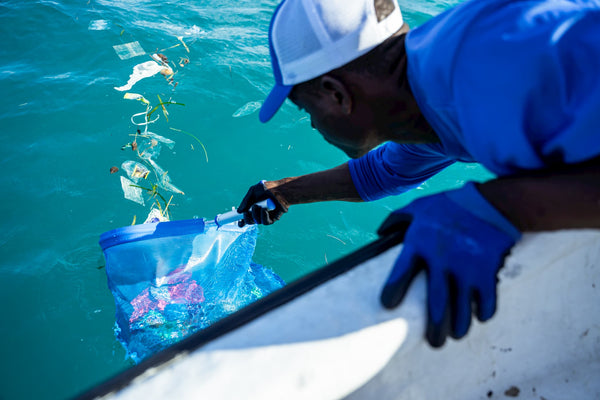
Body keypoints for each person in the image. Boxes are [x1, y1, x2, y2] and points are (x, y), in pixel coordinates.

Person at [237, 0, 600, 347]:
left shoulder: (499, 65)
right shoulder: (427, 90)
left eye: (305, 109)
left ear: (336, 95)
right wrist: (286, 191)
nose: (314, 125)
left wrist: (501, 205)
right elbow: (381, 172)